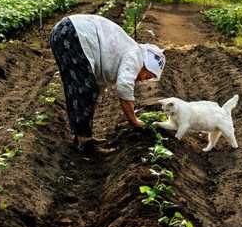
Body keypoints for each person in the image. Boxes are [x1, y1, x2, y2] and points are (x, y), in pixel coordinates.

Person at [50, 13, 165, 150]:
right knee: (84, 88)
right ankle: (84, 141)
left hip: (67, 33)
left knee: (82, 89)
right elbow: (124, 86)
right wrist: (134, 121)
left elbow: (97, 87)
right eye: (147, 76)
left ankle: (82, 137)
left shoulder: (132, 51)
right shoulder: (136, 56)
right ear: (145, 65)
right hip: (73, 33)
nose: (142, 80)